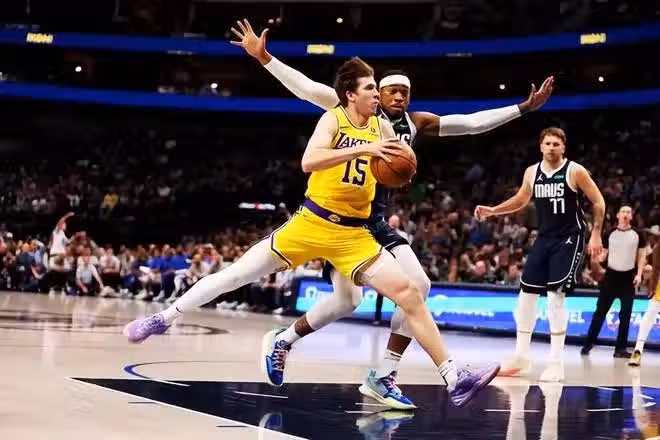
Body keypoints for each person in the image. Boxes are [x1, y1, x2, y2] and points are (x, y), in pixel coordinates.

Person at [124, 57, 499, 407]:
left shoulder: (385, 127)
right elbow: (309, 160)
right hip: (311, 222)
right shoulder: (333, 119)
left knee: (410, 293)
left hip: (354, 233)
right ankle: (163, 318)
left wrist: (400, 168)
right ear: (351, 94)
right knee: (236, 275)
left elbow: (409, 157)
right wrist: (363, 149)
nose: (377, 95)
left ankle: (454, 377)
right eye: (371, 88)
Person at [230, 18, 551, 409]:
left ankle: (382, 374)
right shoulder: (350, 111)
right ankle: (287, 341)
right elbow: (306, 87)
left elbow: (469, 124)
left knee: (416, 287)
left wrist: (522, 108)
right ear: (376, 93)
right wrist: (266, 59)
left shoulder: (415, 124)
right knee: (347, 301)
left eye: (405, 92)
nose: (399, 97)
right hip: (340, 217)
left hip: (374, 222)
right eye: (392, 90)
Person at [475, 127, 605, 382]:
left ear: (563, 147)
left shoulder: (575, 171)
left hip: (570, 237)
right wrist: (493, 210)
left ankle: (556, 363)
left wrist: (597, 234)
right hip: (544, 237)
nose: (551, 147)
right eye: (547, 143)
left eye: (556, 143)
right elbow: (521, 199)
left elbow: (598, 201)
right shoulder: (532, 172)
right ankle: (521, 358)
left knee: (555, 297)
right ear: (541, 146)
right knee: (525, 297)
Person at [581, 205, 646, 357]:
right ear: (618, 215)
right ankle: (588, 344)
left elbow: (642, 256)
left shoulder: (638, 234)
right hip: (611, 276)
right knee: (600, 312)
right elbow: (602, 255)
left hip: (628, 278)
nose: (626, 214)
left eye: (629, 212)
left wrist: (639, 274)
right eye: (623, 211)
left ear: (631, 216)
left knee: (626, 315)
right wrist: (598, 259)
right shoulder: (609, 233)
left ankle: (620, 349)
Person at [628, 226, 660, 366]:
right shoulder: (657, 249)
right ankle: (638, 350)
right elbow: (656, 269)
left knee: (649, 316)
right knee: (649, 316)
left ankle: (638, 351)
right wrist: (652, 286)